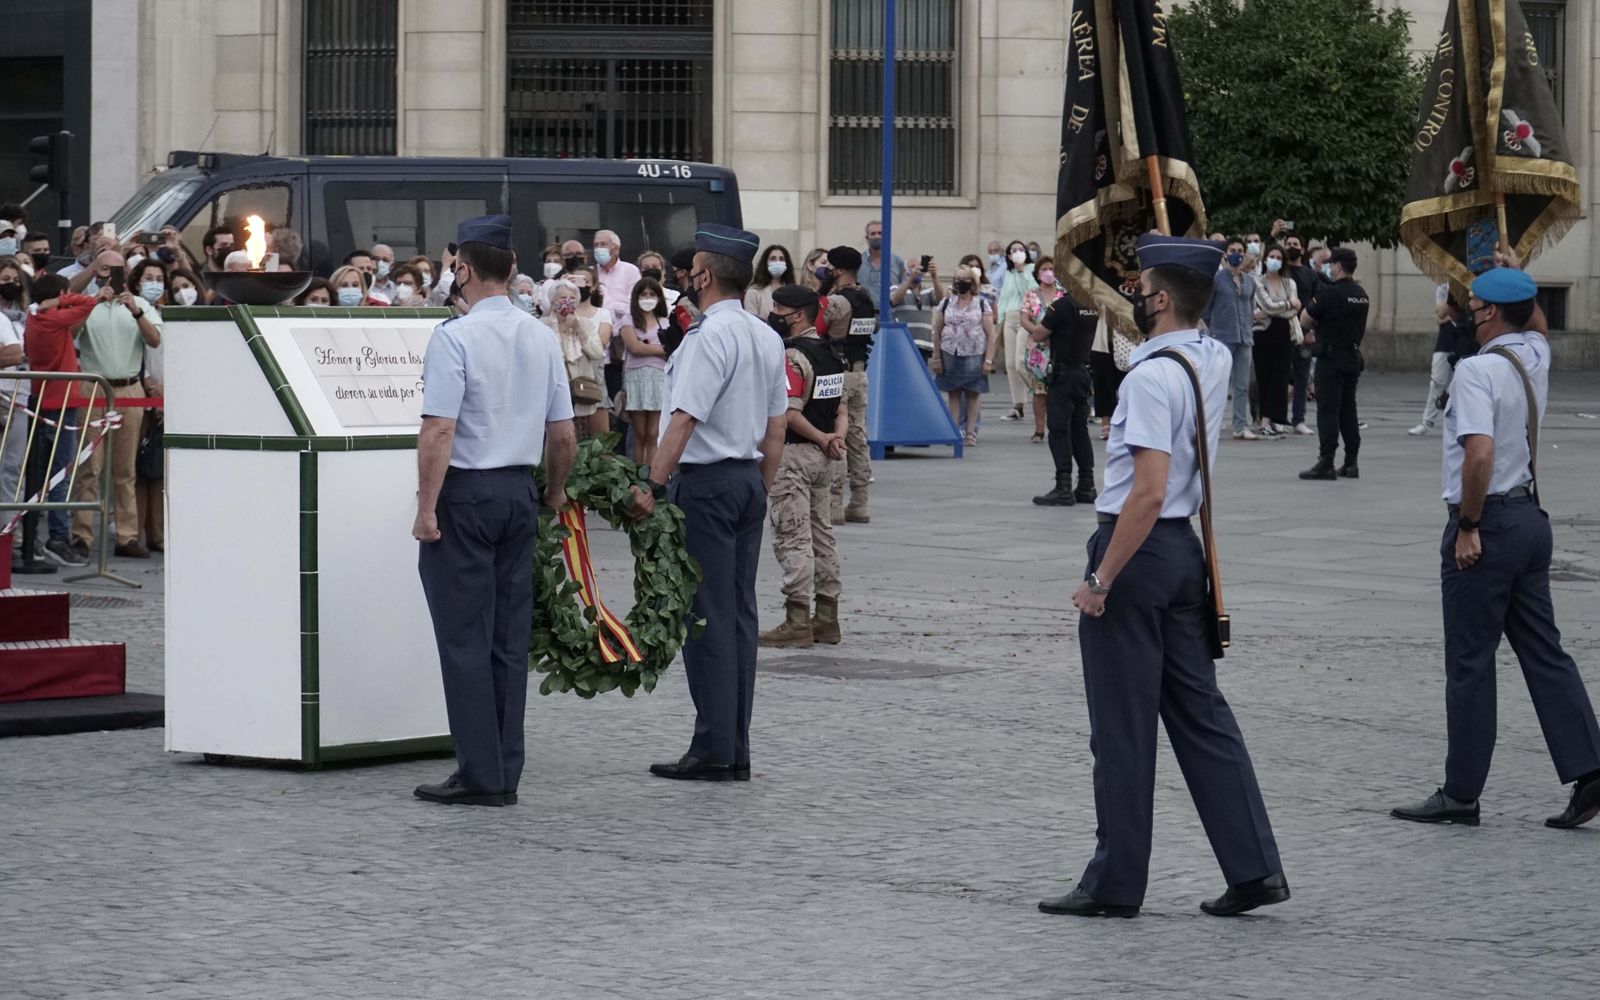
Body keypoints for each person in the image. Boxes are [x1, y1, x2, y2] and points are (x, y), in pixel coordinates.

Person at [1041, 233, 1287, 919]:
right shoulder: (1206, 357)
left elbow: (1146, 491)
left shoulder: (1150, 376)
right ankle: (1254, 866)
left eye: (1141, 286)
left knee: (1121, 727)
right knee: (1202, 716)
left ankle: (1114, 883)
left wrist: (1101, 578)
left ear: (1161, 299)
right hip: (1184, 553)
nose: (1131, 295)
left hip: (1138, 547)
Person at [1391, 266, 1600, 831]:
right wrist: (1518, 278)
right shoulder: (1534, 354)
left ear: (1486, 314)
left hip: (1490, 525)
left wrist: (1467, 525)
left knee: (1469, 663)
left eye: (1475, 305)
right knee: (1544, 651)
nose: (1467, 312)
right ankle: (1592, 768)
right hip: (1531, 518)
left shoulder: (1478, 370)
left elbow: (1478, 456)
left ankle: (1460, 793)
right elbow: (1538, 324)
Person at [412, 214, 576, 808]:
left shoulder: (454, 337)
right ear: (511, 270)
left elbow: (439, 430)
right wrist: (553, 496)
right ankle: (505, 767)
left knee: (463, 637)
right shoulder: (540, 336)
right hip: (517, 493)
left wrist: (426, 509)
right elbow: (564, 436)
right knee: (509, 638)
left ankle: (479, 772)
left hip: (467, 492)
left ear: (462, 269)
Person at [626, 224, 787, 782]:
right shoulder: (766, 336)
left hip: (709, 484)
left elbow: (684, 418)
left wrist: (651, 483)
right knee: (739, 615)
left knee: (708, 619)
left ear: (706, 276)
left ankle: (715, 748)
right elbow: (776, 426)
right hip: (745, 480)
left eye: (691, 270)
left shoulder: (706, 337)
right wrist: (760, 485)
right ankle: (733, 744)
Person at [758, 283, 845, 649]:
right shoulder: (831, 353)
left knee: (793, 536)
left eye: (778, 308)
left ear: (796, 315)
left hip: (795, 455)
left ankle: (797, 620)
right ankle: (827, 617)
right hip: (826, 458)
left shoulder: (793, 356)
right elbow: (841, 409)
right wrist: (833, 438)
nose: (773, 313)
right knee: (822, 535)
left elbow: (789, 413)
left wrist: (822, 438)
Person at [63, 250, 161, 559]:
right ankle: (82, 535)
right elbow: (71, 335)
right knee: (89, 466)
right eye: (105, 270)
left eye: (117, 271)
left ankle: (127, 536)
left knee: (125, 467)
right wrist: (92, 303)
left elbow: (155, 340)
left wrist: (136, 311)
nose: (111, 277)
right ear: (96, 272)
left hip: (128, 387)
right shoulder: (87, 303)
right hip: (93, 386)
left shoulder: (140, 304)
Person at [22, 275, 107, 566]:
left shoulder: (32, 318)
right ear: (58, 294)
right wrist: (62, 300)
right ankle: (58, 536)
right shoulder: (55, 318)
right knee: (60, 473)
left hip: (40, 399)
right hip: (61, 401)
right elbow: (90, 301)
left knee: (36, 473)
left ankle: (31, 535)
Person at [1298, 247, 1369, 480]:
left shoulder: (1330, 294)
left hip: (1331, 359)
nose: (1329, 267)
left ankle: (1326, 461)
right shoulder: (1361, 294)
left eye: (1331, 264)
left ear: (1337, 266)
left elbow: (1305, 318)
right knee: (1349, 409)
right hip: (1352, 357)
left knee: (1328, 410)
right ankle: (1351, 462)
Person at [816, 245, 874, 524]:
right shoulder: (865, 296)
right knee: (858, 438)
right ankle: (860, 502)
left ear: (838, 270)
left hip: (836, 372)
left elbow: (817, 329)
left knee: (835, 435)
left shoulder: (836, 301)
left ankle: (835, 504)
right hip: (859, 372)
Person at [1030, 285, 1098, 506]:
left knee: (1059, 429)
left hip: (1063, 373)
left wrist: (1031, 326)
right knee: (1080, 429)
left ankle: (1063, 485)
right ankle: (1087, 484)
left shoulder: (1062, 305)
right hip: (1083, 372)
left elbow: (1039, 333)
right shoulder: (1092, 306)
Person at [930, 265, 996, 447]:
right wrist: (937, 357)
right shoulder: (946, 303)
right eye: (957, 279)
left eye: (965, 279)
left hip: (974, 353)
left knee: (973, 392)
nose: (961, 282)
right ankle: (954, 429)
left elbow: (991, 334)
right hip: (950, 352)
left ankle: (970, 431)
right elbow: (937, 330)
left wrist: (988, 360)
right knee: (953, 392)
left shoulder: (982, 304)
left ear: (972, 283)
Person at [1202, 239, 1260, 440]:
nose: (1236, 254)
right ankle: (1210, 424)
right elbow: (1206, 309)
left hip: (1245, 338)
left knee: (1242, 385)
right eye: (1232, 250)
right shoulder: (1216, 279)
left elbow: (1251, 308)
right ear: (1225, 254)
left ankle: (1240, 425)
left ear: (1244, 254)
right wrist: (1215, 330)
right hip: (1222, 337)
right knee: (1217, 385)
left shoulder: (1250, 281)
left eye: (1240, 251)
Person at [130, 258, 168, 553]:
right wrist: (150, 388)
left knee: (158, 469)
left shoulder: (163, 313)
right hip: (143, 394)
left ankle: (157, 534)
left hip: (166, 397)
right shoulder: (135, 311)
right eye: (149, 277)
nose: (155, 283)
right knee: (139, 469)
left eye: (159, 278)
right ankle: (135, 533)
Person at [619, 278, 670, 468]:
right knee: (639, 433)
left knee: (653, 433)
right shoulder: (627, 320)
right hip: (636, 379)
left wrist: (648, 347)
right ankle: (636, 476)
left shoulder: (664, 321)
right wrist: (662, 349)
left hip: (659, 378)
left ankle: (652, 478)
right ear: (636, 297)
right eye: (643, 294)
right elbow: (634, 348)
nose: (648, 298)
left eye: (652, 294)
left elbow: (675, 349)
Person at [1252, 245, 1300, 436]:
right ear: (1265, 259)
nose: (1274, 260)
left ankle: (1272, 419)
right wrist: (1286, 304)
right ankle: (1264, 420)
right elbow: (1268, 305)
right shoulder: (1258, 281)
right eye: (1271, 256)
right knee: (1264, 376)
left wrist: (1275, 309)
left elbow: (1294, 310)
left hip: (1284, 333)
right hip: (1263, 334)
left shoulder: (1290, 283)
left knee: (1280, 378)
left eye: (1278, 257)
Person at [550, 278, 605, 439]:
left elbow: (597, 354)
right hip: (555, 389)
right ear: (553, 301)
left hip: (581, 390)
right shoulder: (542, 325)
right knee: (558, 436)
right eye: (562, 298)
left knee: (580, 437)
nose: (567, 301)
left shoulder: (586, 324)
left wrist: (579, 329)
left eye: (572, 298)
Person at [1018, 256, 1065, 442]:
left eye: (1051, 268)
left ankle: (1058, 427)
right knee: (1039, 391)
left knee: (1058, 390)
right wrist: (1038, 332)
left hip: (1059, 347)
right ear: (1038, 273)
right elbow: (1024, 318)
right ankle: (1039, 429)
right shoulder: (1031, 295)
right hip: (1038, 349)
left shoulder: (1063, 294)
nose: (1048, 272)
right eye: (1044, 269)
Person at [566, 267, 613, 438]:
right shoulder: (562, 314)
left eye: (585, 280)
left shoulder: (602, 314)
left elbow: (601, 343)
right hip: (569, 376)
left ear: (593, 286)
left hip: (594, 376)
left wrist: (579, 330)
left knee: (601, 436)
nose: (580, 285)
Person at [996, 239, 1037, 423]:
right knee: (1010, 365)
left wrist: (1022, 273)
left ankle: (1040, 392)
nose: (1017, 252)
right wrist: (1000, 319)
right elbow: (1004, 297)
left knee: (1021, 361)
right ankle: (1017, 405)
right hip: (1009, 319)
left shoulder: (1030, 269)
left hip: (1025, 318)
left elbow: (1031, 292)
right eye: (1013, 250)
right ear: (1008, 255)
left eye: (1020, 249)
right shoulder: (1008, 273)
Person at [1411, 286, 1461, 437]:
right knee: (1437, 382)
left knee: (1461, 383)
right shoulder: (1444, 287)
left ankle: (1460, 422)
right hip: (1446, 339)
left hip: (1466, 337)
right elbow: (1440, 314)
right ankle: (1427, 422)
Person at [0, 258, 28, 524]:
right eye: (4, 279)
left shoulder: (26, 317)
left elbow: (16, 354)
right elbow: (12, 354)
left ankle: (10, 534)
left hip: (19, 396)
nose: (10, 285)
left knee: (13, 468)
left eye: (15, 281)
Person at [1284, 239, 1322, 435]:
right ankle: (1277, 417)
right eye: (1288, 243)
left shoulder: (1310, 274)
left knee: (1302, 378)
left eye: (1295, 244)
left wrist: (1312, 331)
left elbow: (1318, 303)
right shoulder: (1281, 271)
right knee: (1279, 376)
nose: (1292, 246)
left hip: (1304, 334)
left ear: (1302, 249)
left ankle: (1298, 419)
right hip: (1282, 332)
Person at [592, 229, 641, 332]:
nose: (598, 248)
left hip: (622, 333)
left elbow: (634, 305)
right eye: (596, 245)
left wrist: (608, 304)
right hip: (596, 331)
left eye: (603, 244)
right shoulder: (591, 272)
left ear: (616, 249)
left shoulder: (630, 271)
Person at [857, 219, 910, 315]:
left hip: (890, 315)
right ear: (867, 237)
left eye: (880, 233)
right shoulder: (858, 261)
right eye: (873, 234)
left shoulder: (897, 262)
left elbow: (904, 287)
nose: (877, 236)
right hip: (865, 316)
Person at [1090, 313, 1124, 441]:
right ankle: (1106, 423)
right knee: (1103, 383)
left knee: (1126, 385)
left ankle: (1124, 423)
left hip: (1126, 342)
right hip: (1101, 343)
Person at [743, 244, 796, 318]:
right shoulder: (753, 292)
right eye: (773, 258)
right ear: (765, 263)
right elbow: (751, 321)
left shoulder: (793, 291)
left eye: (781, 259)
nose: (777, 262)